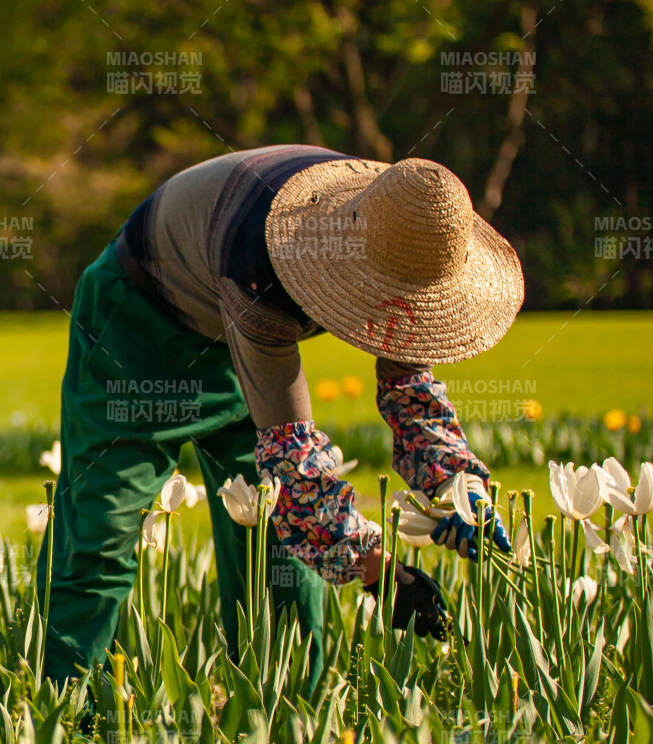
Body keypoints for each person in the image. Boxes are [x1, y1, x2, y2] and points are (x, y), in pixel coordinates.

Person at [39, 145, 523, 686]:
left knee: (277, 554)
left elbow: (410, 386)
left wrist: (460, 487)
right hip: (136, 327)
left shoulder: (403, 225)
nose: (401, 308)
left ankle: (281, 717)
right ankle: (63, 717)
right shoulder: (268, 258)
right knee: (103, 524)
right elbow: (296, 470)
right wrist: (382, 575)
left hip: (229, 323)